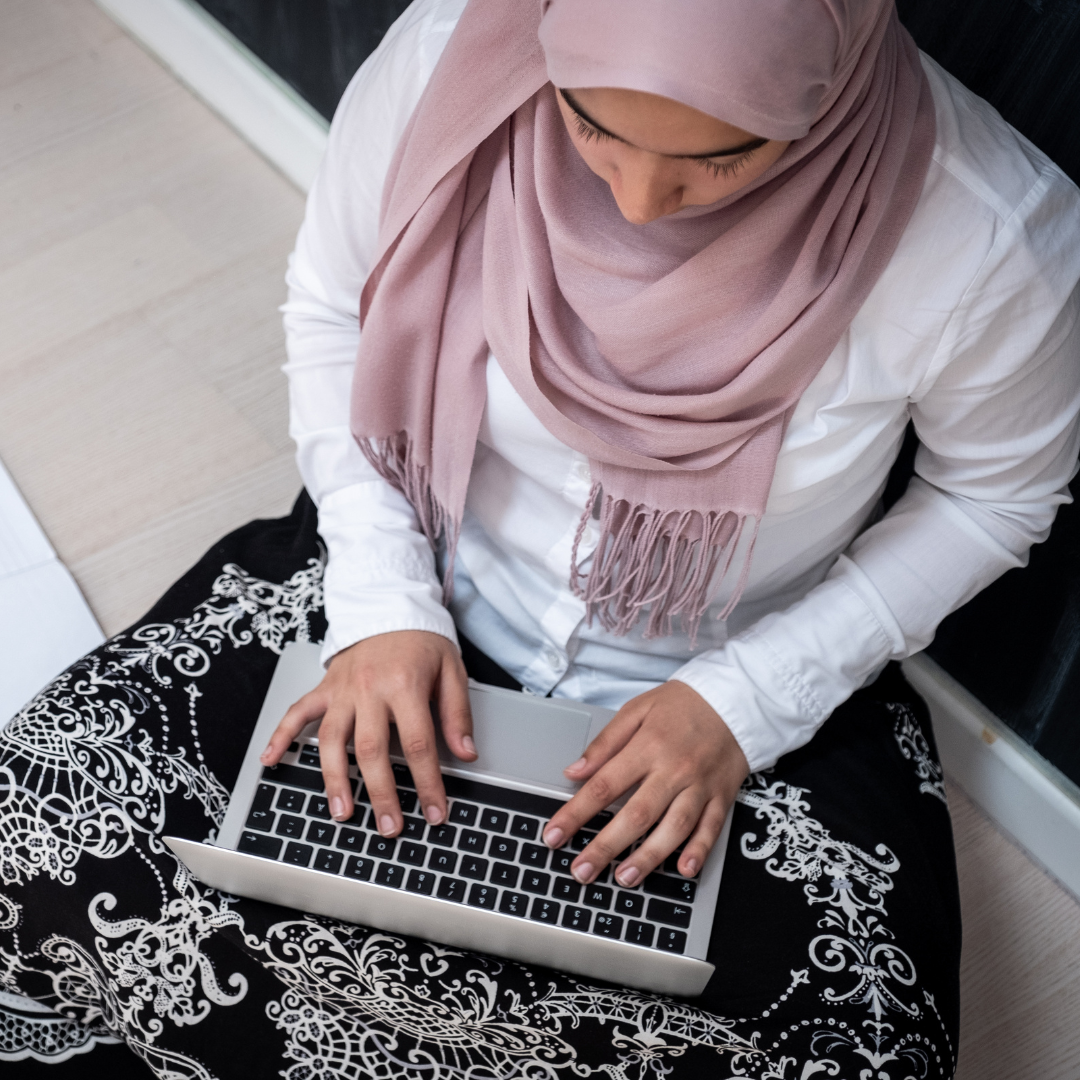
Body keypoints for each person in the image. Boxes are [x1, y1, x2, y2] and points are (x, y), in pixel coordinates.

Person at [2, 0, 1079, 1076]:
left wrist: (744, 702)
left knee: (850, 1052)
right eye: (589, 122)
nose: (641, 201)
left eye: (722, 154)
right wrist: (383, 605)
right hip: (412, 576)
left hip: (734, 689)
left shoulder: (987, 230)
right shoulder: (448, 60)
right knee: (34, 840)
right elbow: (333, 306)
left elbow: (996, 495)